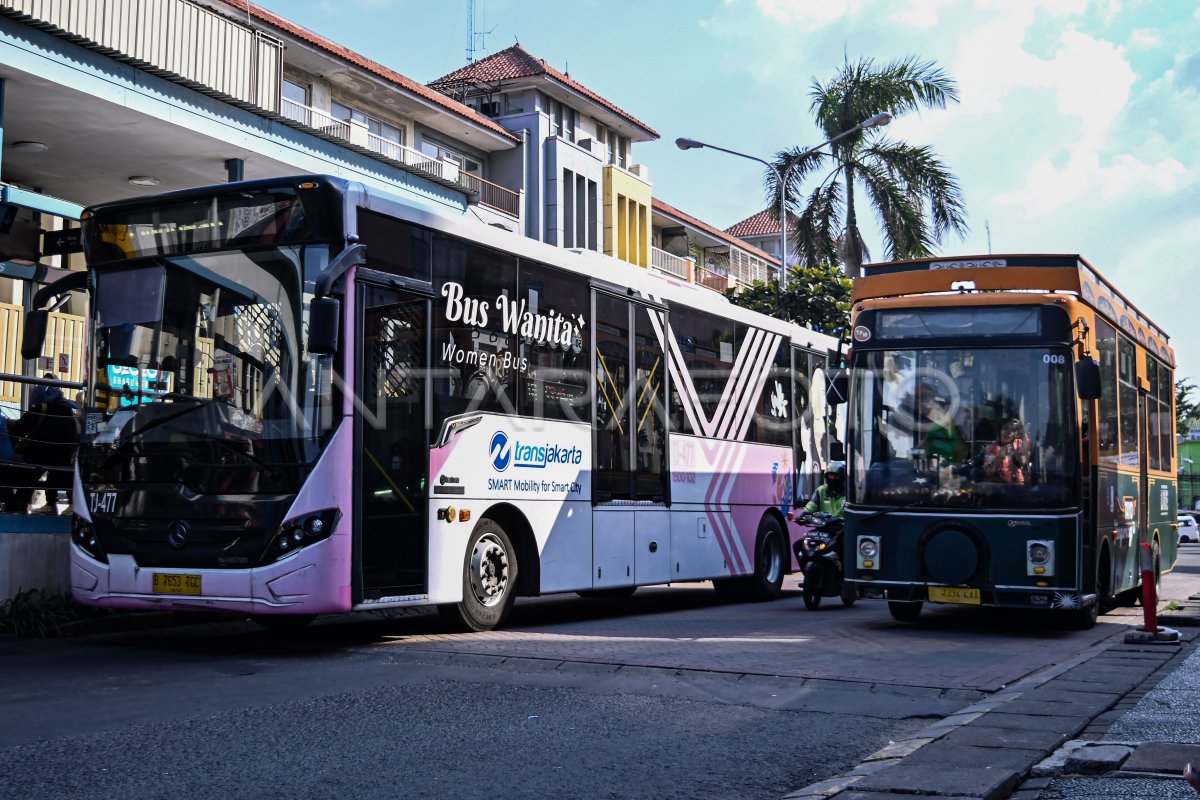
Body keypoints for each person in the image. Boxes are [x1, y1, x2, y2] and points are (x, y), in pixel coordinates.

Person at [917, 386, 967, 463]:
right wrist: (912, 455)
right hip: (936, 468)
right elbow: (923, 446)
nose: (931, 409)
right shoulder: (934, 429)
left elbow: (962, 452)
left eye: (935, 406)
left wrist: (955, 466)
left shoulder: (952, 429)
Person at [982, 418, 1030, 484]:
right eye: (1005, 428)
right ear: (1000, 431)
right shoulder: (991, 449)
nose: (1008, 433)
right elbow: (988, 471)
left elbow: (1026, 465)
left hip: (1020, 488)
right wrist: (999, 456)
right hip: (1000, 488)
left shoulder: (1019, 444)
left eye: (1012, 430)